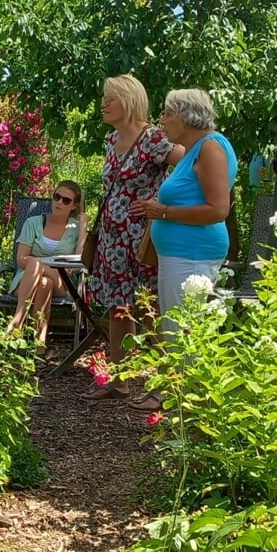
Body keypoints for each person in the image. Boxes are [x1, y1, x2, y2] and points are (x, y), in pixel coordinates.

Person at [128, 88, 236, 411]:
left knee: (184, 330)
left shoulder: (211, 148)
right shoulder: (194, 150)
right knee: (175, 326)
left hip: (193, 255)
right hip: (179, 254)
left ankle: (185, 405)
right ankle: (175, 396)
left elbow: (219, 209)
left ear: (186, 116)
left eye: (167, 114)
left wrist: (162, 212)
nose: (162, 121)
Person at [83, 74, 182, 401]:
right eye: (103, 97)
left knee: (150, 307)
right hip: (112, 238)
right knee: (118, 308)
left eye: (110, 98)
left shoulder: (154, 139)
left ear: (128, 100)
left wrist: (162, 204)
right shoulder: (112, 140)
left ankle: (168, 388)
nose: (103, 103)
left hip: (142, 238)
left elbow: (192, 164)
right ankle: (119, 380)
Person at [4, 181, 86, 346]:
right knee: (43, 282)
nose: (59, 202)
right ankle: (38, 345)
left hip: (61, 279)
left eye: (66, 200)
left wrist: (83, 226)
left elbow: (80, 260)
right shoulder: (33, 222)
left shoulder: (76, 227)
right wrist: (43, 266)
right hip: (26, 278)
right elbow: (21, 260)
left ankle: (18, 319)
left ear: (74, 205)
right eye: (57, 197)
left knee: (35, 262)